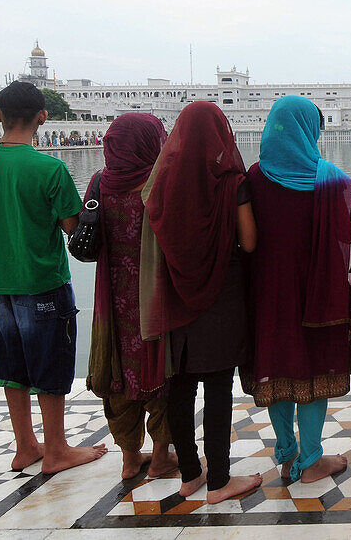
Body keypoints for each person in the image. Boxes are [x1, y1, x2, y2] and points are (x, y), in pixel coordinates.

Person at [0, 81, 107, 473]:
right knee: (52, 367)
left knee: (12, 368)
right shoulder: (51, 169)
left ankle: (25, 446)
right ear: (43, 117)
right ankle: (56, 449)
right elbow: (72, 227)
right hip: (44, 282)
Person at [139, 101, 261, 504]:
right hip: (221, 294)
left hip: (175, 293)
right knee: (218, 386)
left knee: (180, 384)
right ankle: (220, 479)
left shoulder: (161, 184)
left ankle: (190, 473)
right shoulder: (231, 182)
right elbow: (249, 242)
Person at [245, 96, 351, 483]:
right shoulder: (332, 180)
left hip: (268, 295)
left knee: (276, 369)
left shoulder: (253, 179)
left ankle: (287, 454)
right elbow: (346, 238)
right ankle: (311, 460)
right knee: (315, 368)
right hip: (319, 293)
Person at [86, 113, 178, 480]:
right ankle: (160, 457)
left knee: (118, 375)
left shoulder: (98, 182)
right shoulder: (160, 182)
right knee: (159, 368)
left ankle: (128, 457)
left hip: (112, 296)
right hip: (154, 295)